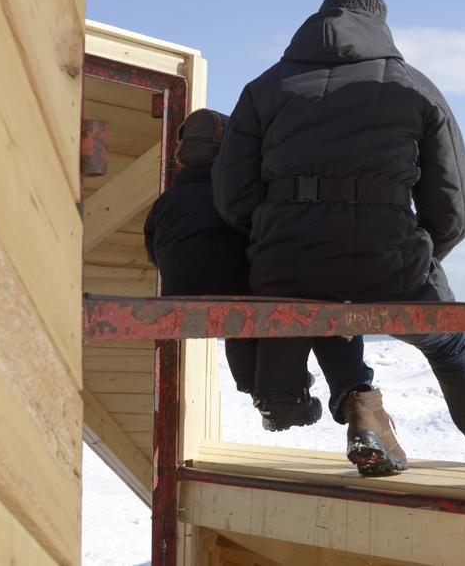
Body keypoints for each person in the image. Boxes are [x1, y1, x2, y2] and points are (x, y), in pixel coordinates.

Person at [212, 0, 465, 476]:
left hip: (286, 263)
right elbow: (456, 200)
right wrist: (424, 252)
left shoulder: (263, 88)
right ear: (380, 23)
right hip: (388, 257)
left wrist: (275, 234)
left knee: (321, 309)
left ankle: (360, 407)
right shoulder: (412, 85)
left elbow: (232, 193)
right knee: (448, 342)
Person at [144, 108, 374, 432]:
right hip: (240, 297)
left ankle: (260, 390)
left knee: (241, 311)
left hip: (181, 300)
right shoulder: (237, 192)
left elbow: (153, 251)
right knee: (293, 293)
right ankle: (296, 396)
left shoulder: (165, 202)